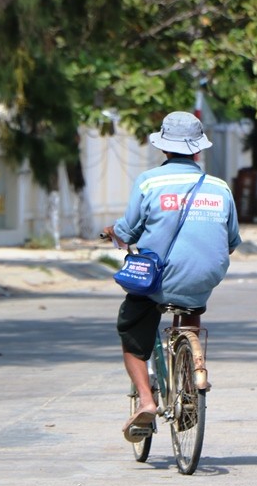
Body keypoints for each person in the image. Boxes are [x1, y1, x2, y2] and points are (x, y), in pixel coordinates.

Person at [102, 111, 242, 442]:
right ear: (198, 150)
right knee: (189, 308)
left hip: (159, 277)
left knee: (132, 328)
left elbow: (129, 229)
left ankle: (147, 402)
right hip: (205, 275)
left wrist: (112, 232)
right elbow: (232, 241)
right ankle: (190, 373)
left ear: (164, 148)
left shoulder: (150, 182)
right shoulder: (219, 188)